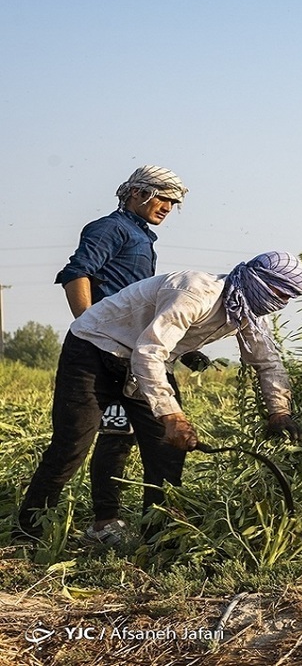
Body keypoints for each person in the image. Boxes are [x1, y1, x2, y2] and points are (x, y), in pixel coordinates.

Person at [14, 251, 302, 543]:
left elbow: (267, 363)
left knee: (167, 452)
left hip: (144, 361)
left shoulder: (246, 315)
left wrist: (279, 412)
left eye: (289, 297)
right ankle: (28, 532)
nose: (281, 302)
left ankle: (158, 538)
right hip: (95, 347)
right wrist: (172, 416)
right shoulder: (196, 292)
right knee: (71, 445)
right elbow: (149, 351)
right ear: (256, 280)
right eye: (280, 293)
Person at [53, 165, 197, 545]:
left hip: (131, 353)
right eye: (162, 197)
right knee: (101, 439)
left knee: (132, 434)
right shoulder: (110, 228)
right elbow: (76, 273)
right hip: (101, 354)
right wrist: (87, 326)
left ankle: (156, 527)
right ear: (136, 192)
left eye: (173, 202)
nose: (168, 206)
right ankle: (102, 523)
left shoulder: (142, 236)